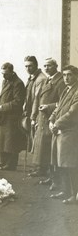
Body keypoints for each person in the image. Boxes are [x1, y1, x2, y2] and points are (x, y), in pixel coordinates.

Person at [32, 58, 65, 187]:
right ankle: (51, 177)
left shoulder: (60, 81)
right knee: (46, 150)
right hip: (44, 118)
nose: (46, 68)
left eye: (49, 66)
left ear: (56, 66)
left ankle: (56, 180)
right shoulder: (48, 79)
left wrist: (49, 107)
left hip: (53, 119)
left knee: (53, 151)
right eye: (44, 66)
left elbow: (62, 102)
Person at [49, 65, 78, 203]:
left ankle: (73, 194)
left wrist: (57, 123)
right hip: (60, 132)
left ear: (76, 76)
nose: (66, 78)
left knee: (70, 164)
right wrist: (51, 120)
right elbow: (58, 108)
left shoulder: (77, 92)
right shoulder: (66, 90)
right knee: (61, 163)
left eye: (69, 75)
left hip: (70, 133)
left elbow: (72, 113)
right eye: (64, 75)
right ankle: (65, 191)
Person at [0, 62, 26, 170]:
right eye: (2, 73)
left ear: (11, 71)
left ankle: (11, 165)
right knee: (2, 141)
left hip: (12, 116)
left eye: (5, 74)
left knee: (11, 142)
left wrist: (3, 107)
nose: (3, 76)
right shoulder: (5, 81)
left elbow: (18, 102)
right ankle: (3, 162)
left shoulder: (18, 83)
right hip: (3, 116)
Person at [23, 56, 47, 173]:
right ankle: (37, 167)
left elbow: (37, 99)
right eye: (26, 66)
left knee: (38, 141)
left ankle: (39, 168)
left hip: (38, 114)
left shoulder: (41, 79)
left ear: (36, 65)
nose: (28, 68)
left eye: (30, 66)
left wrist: (33, 116)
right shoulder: (32, 78)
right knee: (34, 140)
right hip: (32, 112)